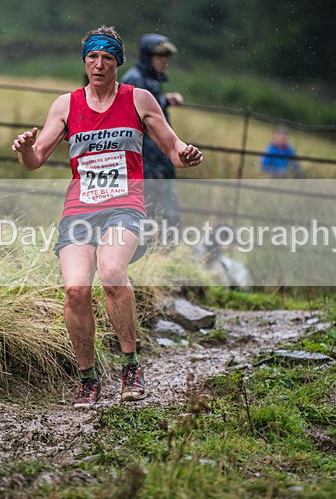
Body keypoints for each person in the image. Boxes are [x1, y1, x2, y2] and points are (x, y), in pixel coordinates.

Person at [12, 26, 203, 408]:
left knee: (113, 272)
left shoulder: (139, 98)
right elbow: (36, 160)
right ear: (85, 61)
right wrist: (25, 149)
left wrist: (186, 154)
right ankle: (87, 379)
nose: (99, 65)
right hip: (80, 209)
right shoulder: (66, 105)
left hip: (124, 204)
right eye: (93, 57)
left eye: (108, 58)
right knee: (76, 290)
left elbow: (172, 146)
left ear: (118, 63)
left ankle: (130, 367)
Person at [121, 34, 185, 228]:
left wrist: (164, 100)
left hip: (157, 158)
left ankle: (161, 244)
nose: (164, 61)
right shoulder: (135, 79)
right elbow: (132, 118)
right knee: (153, 211)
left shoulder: (150, 81)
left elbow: (148, 109)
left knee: (163, 212)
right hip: (145, 159)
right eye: (159, 56)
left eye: (166, 56)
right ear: (147, 56)